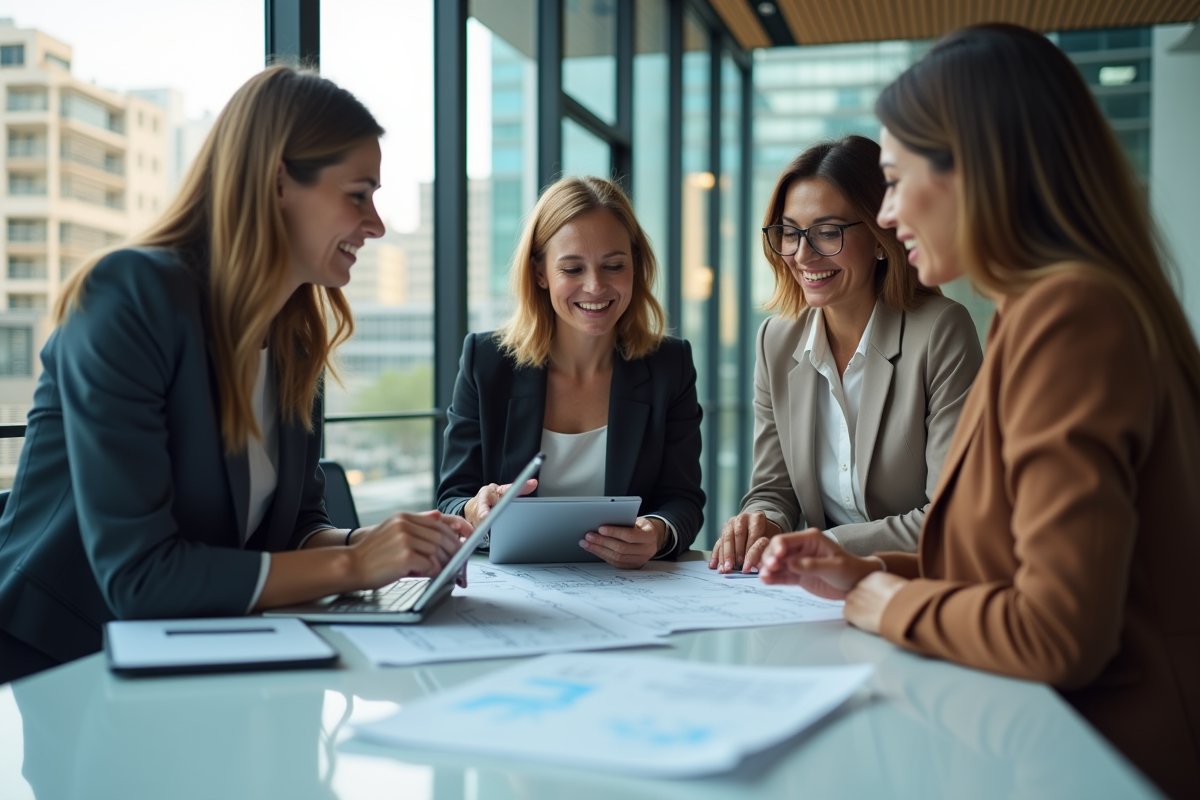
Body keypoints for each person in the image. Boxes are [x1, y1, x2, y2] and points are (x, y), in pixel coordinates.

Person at [758, 24, 1200, 799]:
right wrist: (868, 568)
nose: (889, 213)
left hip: (1101, 760)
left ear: (976, 168)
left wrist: (878, 598)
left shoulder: (1070, 315)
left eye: (895, 181)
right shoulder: (1045, 308)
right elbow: (1005, 561)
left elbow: (1056, 632)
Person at [0, 67, 470, 685]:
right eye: (358, 195)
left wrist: (378, 543)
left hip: (200, 656)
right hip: (64, 669)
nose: (376, 224)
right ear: (277, 181)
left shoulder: (295, 336)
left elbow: (295, 530)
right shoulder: (128, 297)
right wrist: (355, 567)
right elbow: (140, 579)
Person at [710, 135, 982, 574]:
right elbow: (774, 490)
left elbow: (951, 515)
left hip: (913, 583)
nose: (803, 255)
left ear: (880, 238)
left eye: (827, 232)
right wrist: (762, 523)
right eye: (790, 232)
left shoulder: (940, 331)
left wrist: (825, 544)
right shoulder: (775, 341)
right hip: (817, 590)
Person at [437, 176, 703, 568]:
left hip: (629, 587)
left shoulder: (669, 365)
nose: (595, 286)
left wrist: (657, 532)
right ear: (540, 273)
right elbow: (452, 498)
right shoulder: (486, 361)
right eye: (573, 269)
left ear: (635, 266)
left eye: (614, 266)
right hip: (516, 587)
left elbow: (683, 499)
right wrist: (476, 510)